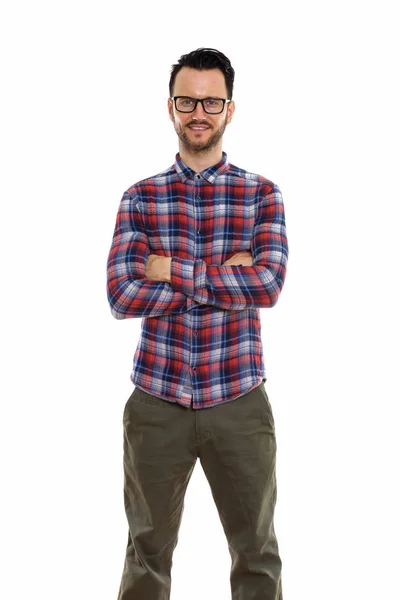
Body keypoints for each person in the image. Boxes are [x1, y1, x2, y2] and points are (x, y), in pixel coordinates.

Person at [107, 47, 288, 600]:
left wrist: (171, 271)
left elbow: (268, 285)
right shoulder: (141, 197)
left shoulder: (261, 195)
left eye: (212, 100)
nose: (199, 111)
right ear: (171, 107)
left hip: (238, 399)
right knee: (146, 554)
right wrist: (220, 280)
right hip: (157, 402)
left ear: (230, 109)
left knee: (256, 552)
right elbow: (120, 294)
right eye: (188, 100)